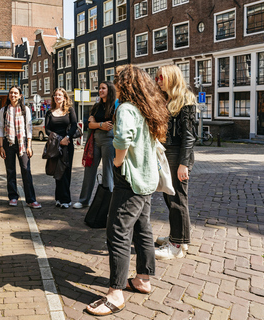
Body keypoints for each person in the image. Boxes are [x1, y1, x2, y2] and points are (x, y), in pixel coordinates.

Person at [86, 65, 169, 316]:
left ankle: (116, 293)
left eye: (117, 82)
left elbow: (122, 139)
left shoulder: (126, 109)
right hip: (147, 179)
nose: (115, 85)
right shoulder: (148, 107)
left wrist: (118, 162)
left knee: (118, 232)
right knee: (143, 228)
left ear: (125, 84)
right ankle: (143, 278)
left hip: (131, 180)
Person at [154, 65, 197, 260]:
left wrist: (184, 163)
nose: (158, 81)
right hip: (167, 153)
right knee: (171, 198)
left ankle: (176, 246)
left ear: (171, 77)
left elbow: (189, 136)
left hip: (177, 155)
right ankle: (178, 238)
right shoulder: (166, 99)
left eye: (161, 77)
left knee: (177, 200)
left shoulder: (185, 100)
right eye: (157, 78)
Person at [73, 81, 116, 209]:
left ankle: (108, 203)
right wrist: (101, 125)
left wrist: (97, 124)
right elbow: (90, 125)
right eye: (100, 88)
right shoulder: (97, 106)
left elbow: (111, 126)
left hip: (109, 140)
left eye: (103, 88)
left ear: (110, 90)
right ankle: (83, 200)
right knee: (89, 169)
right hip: (95, 140)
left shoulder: (115, 106)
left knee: (108, 171)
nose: (100, 90)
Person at [0, 86, 41, 209]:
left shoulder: (25, 109)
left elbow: (29, 128)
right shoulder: (3, 110)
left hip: (22, 142)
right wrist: (1, 147)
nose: (13, 95)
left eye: (16, 93)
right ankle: (13, 197)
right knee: (10, 171)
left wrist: (29, 146)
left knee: (26, 170)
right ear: (9, 95)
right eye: (11, 93)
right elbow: (1, 128)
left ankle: (31, 199)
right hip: (8, 143)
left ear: (20, 95)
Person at [45, 88, 78, 209]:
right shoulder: (49, 112)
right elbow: (47, 129)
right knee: (56, 171)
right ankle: (58, 198)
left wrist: (67, 137)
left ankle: (66, 199)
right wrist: (56, 138)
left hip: (67, 144)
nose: (57, 97)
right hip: (55, 144)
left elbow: (74, 125)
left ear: (64, 97)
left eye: (60, 95)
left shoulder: (70, 110)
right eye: (55, 95)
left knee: (65, 171)